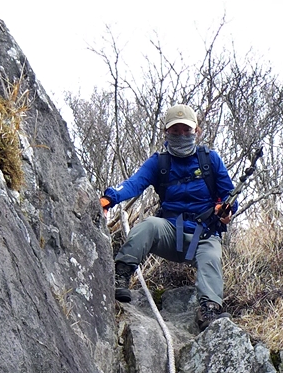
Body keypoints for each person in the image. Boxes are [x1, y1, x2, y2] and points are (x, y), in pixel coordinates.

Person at [100, 104, 237, 331]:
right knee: (148, 226)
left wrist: (226, 211)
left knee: (211, 257)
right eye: (175, 131)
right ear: (166, 133)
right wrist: (109, 199)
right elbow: (134, 183)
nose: (181, 135)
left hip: (204, 234)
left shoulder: (210, 159)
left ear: (196, 131)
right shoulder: (159, 162)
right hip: (170, 232)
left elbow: (229, 195)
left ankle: (209, 309)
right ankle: (121, 275)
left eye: (186, 130)